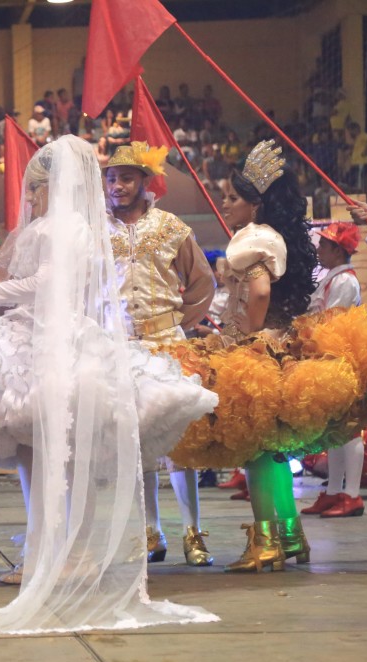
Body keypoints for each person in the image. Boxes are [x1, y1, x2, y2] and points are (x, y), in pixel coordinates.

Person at [0, 136, 218, 635]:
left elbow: (43, 284)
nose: (31, 199)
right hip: (71, 337)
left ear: (49, 188)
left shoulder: (52, 228)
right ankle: (63, 549)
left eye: (35, 190)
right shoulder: (85, 230)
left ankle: (51, 552)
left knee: (36, 451)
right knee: (51, 453)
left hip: (43, 338)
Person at [104, 142, 216, 567]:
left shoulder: (171, 227)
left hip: (168, 345)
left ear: (144, 182)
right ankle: (151, 532)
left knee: (180, 444)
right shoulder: (96, 230)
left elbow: (203, 283)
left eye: (127, 177)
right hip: (118, 349)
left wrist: (181, 324)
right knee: (136, 443)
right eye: (112, 178)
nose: (118, 186)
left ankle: (193, 532)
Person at [211, 140, 318, 572]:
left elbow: (258, 290)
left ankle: (265, 542)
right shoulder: (274, 235)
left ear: (254, 205)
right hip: (279, 346)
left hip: (255, 352)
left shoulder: (252, 240)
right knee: (273, 451)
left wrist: (247, 337)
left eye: (232, 198)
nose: (225, 203)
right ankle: (291, 534)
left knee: (256, 452)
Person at [300, 222, 365, 518]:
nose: (319, 249)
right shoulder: (332, 279)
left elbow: (330, 322)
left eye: (324, 245)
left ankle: (351, 495)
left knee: (349, 429)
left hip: (340, 358)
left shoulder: (344, 282)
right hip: (328, 357)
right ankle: (334, 492)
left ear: (338, 250)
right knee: (334, 431)